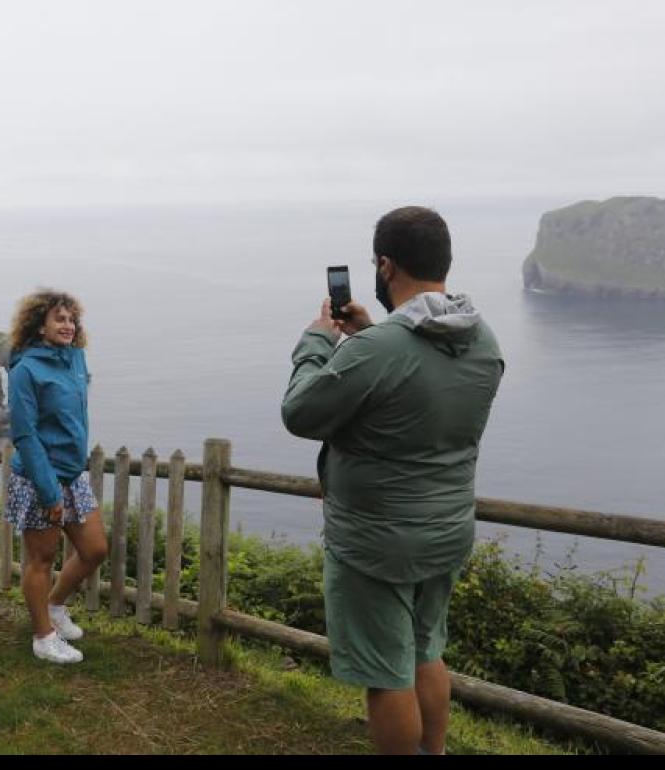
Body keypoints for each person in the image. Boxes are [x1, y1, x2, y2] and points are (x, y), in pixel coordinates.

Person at [281, 206, 505, 754]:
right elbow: (414, 377)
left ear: (385, 265)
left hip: (378, 543)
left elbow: (300, 412)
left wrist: (319, 340)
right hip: (446, 529)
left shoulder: (376, 351)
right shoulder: (483, 341)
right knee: (426, 651)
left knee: (387, 674)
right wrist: (373, 335)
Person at [5, 289, 109, 664]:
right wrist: (50, 494)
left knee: (95, 549)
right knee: (41, 559)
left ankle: (55, 607)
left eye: (71, 319)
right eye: (59, 319)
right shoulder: (25, 371)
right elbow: (25, 435)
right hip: (39, 479)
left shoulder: (75, 359)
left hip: (73, 474)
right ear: (39, 325)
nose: (68, 325)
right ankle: (43, 637)